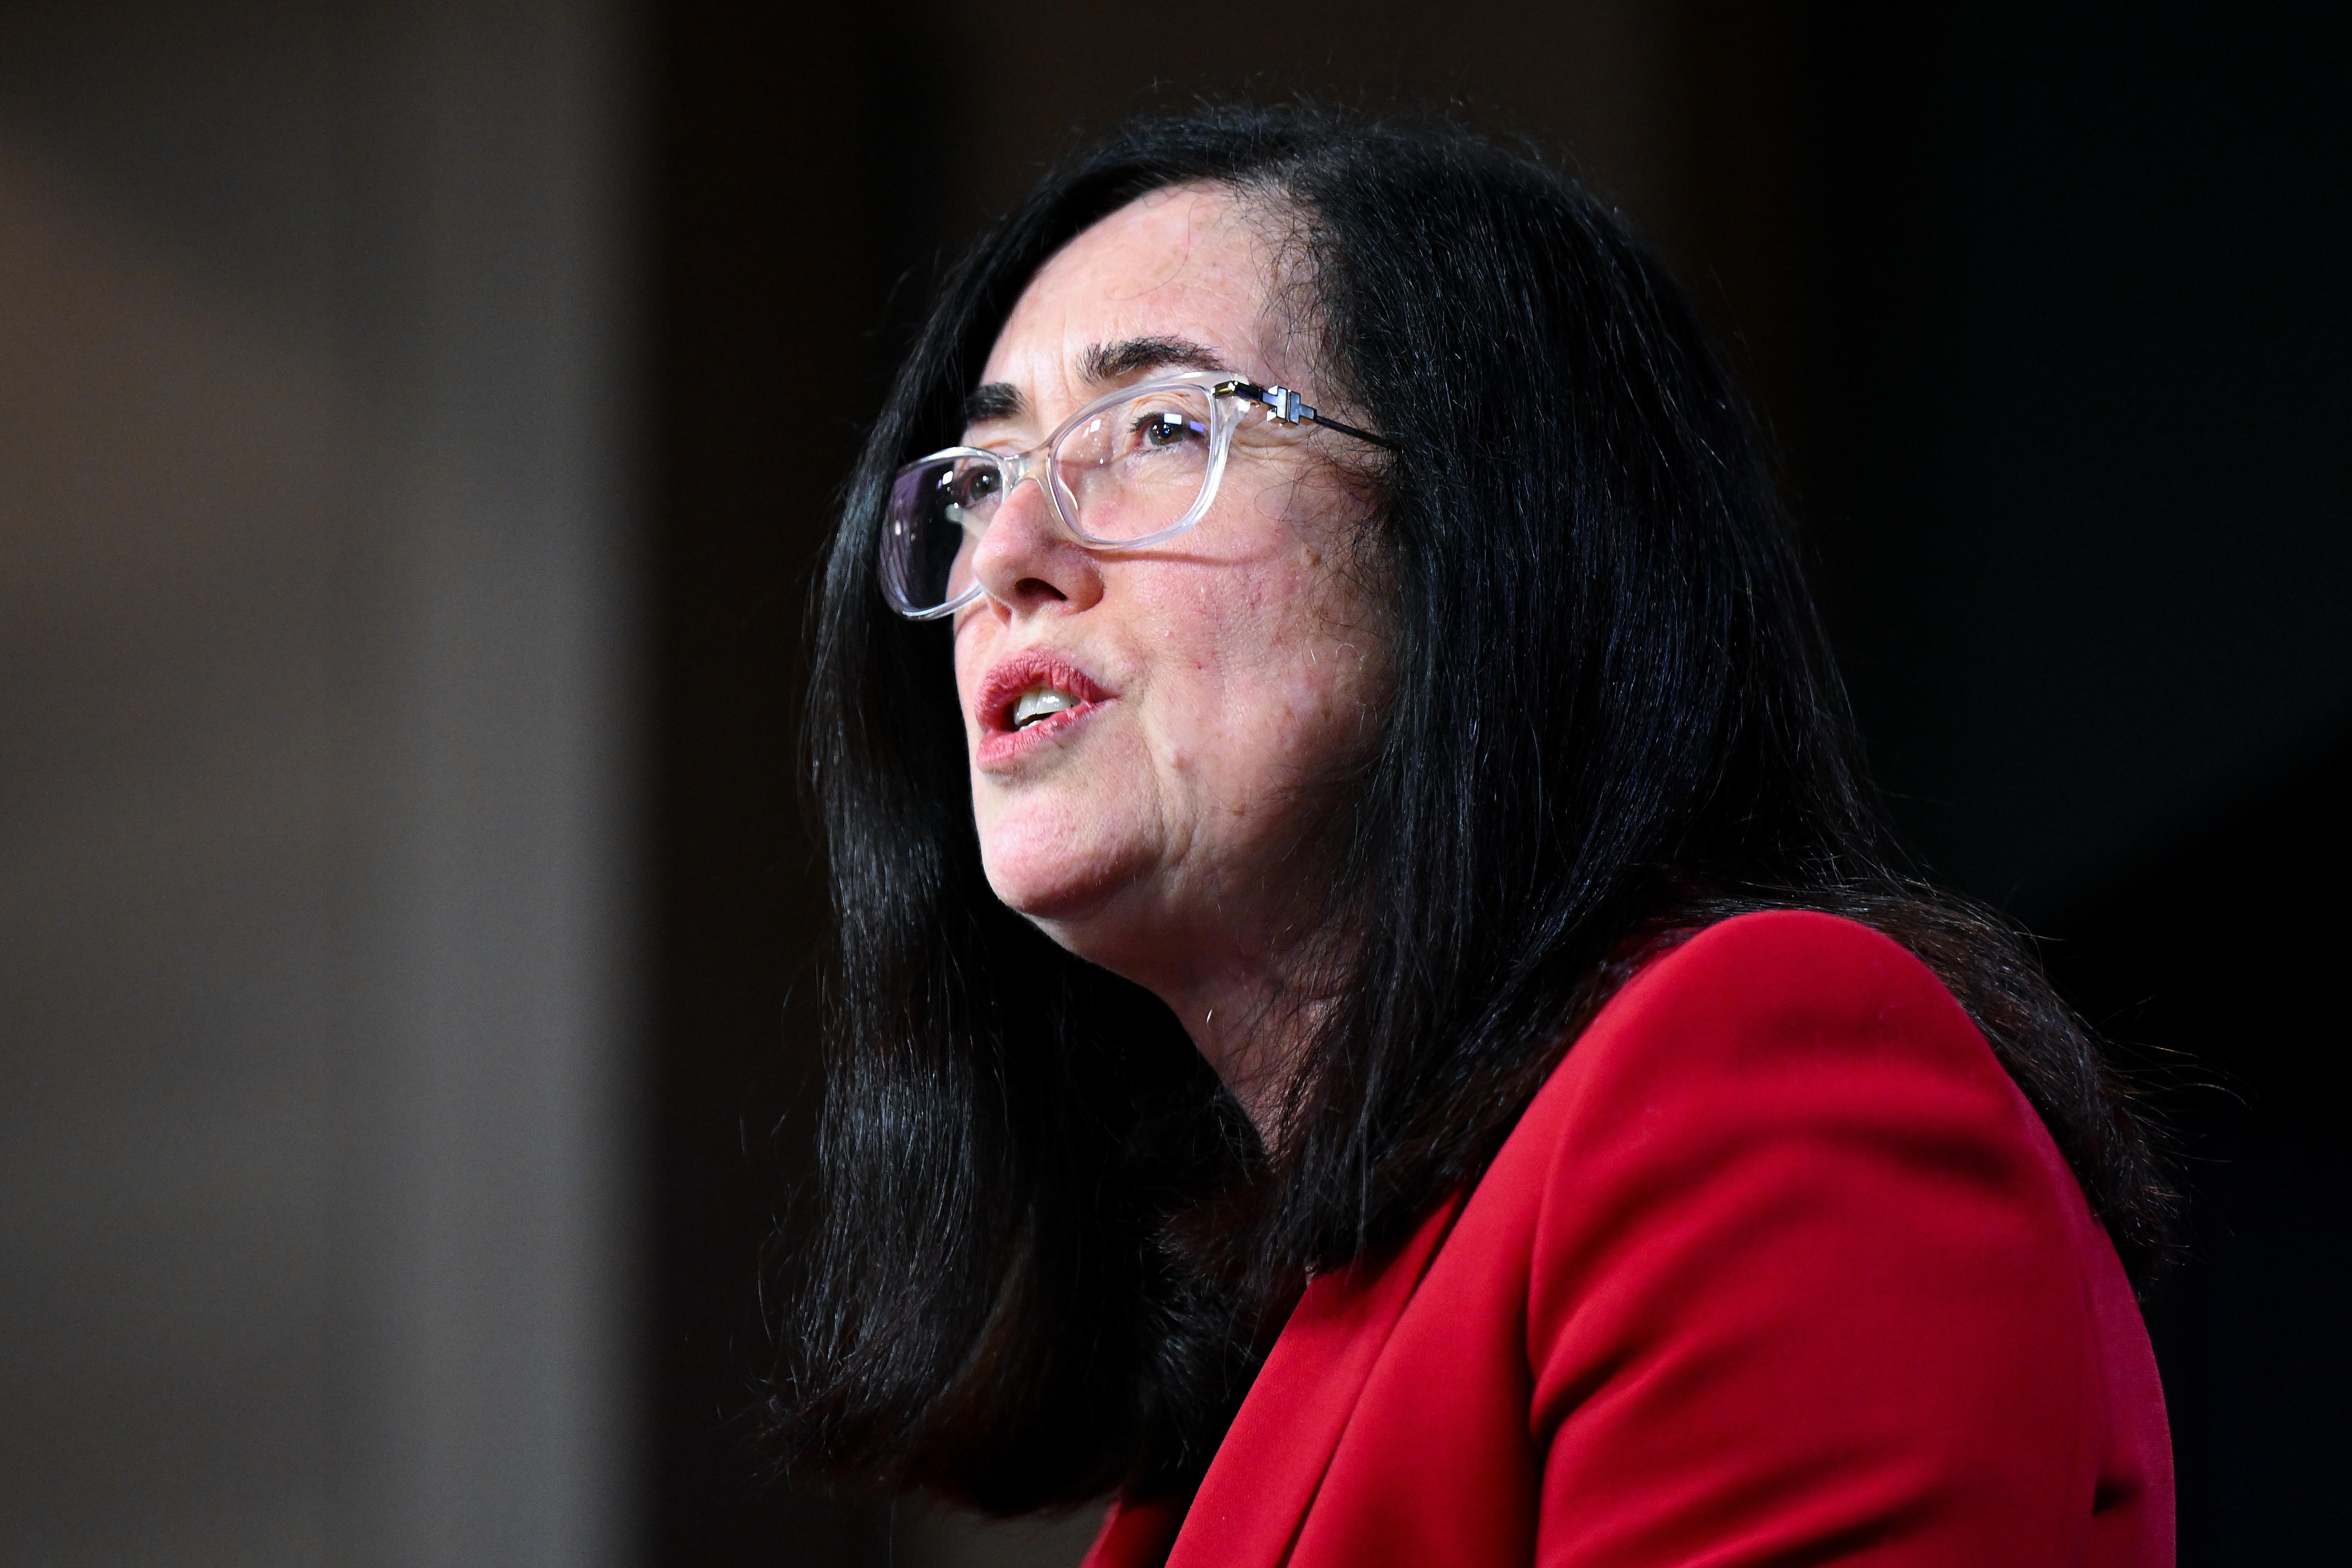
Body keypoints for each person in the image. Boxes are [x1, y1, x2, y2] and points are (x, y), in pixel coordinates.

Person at [772, 103, 2175, 1567]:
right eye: (984, 477)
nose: (1004, 556)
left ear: (1483, 538)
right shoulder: (1259, 1363)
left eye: (1162, 428)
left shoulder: (1766, 1085)